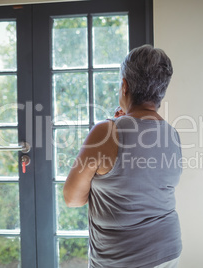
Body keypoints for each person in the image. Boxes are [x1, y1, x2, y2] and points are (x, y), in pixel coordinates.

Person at [63, 44, 182, 268]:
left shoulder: (105, 132)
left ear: (124, 86)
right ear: (161, 91)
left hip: (122, 258)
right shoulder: (172, 134)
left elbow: (72, 198)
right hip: (168, 251)